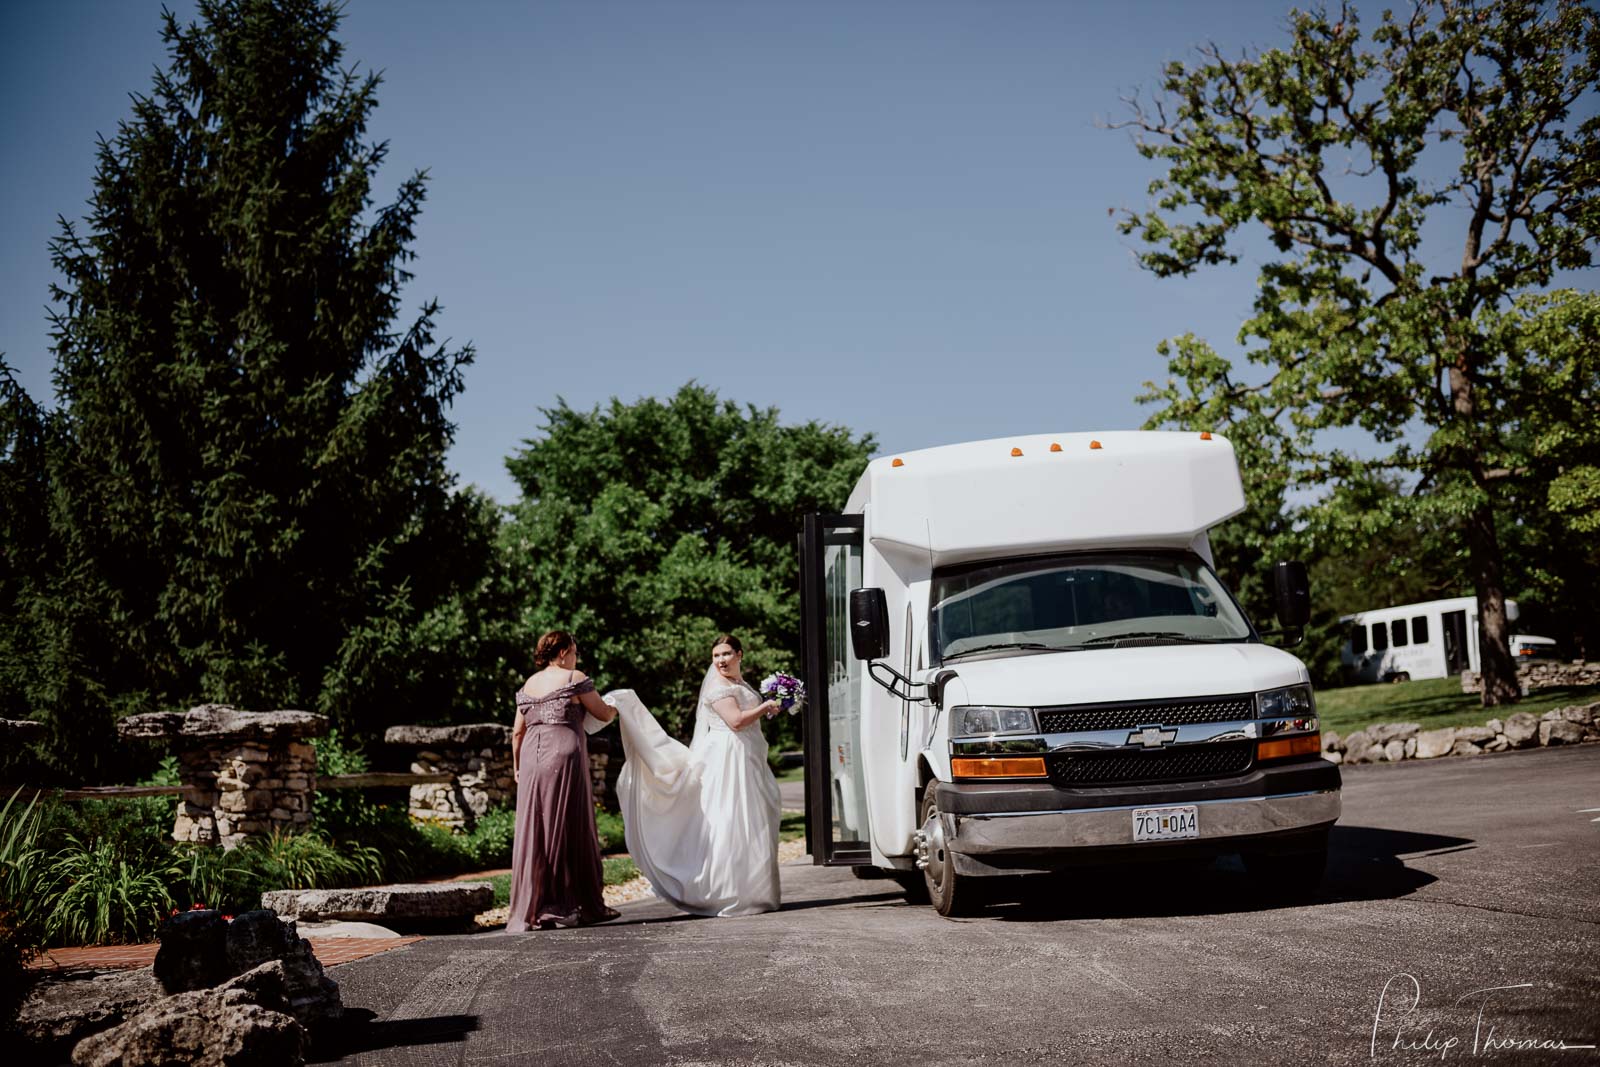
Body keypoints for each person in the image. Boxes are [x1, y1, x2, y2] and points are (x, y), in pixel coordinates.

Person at [605, 634, 783, 917]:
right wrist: (765, 707)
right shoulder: (719, 688)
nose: (721, 660)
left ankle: (755, 891)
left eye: (726, 654)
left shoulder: (740, 684)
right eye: (716, 656)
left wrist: (772, 706)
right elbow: (736, 722)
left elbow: (747, 718)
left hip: (747, 757)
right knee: (730, 819)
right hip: (729, 757)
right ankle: (726, 893)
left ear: (740, 655)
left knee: (754, 818)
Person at [505, 630, 621, 932]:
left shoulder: (529, 683)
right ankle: (573, 905)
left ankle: (537, 907)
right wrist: (618, 707)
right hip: (563, 755)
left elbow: (517, 732)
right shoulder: (573, 678)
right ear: (561, 653)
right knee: (570, 825)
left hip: (532, 757)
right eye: (574, 651)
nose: (576, 657)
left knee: (538, 828)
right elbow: (602, 714)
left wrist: (517, 767)